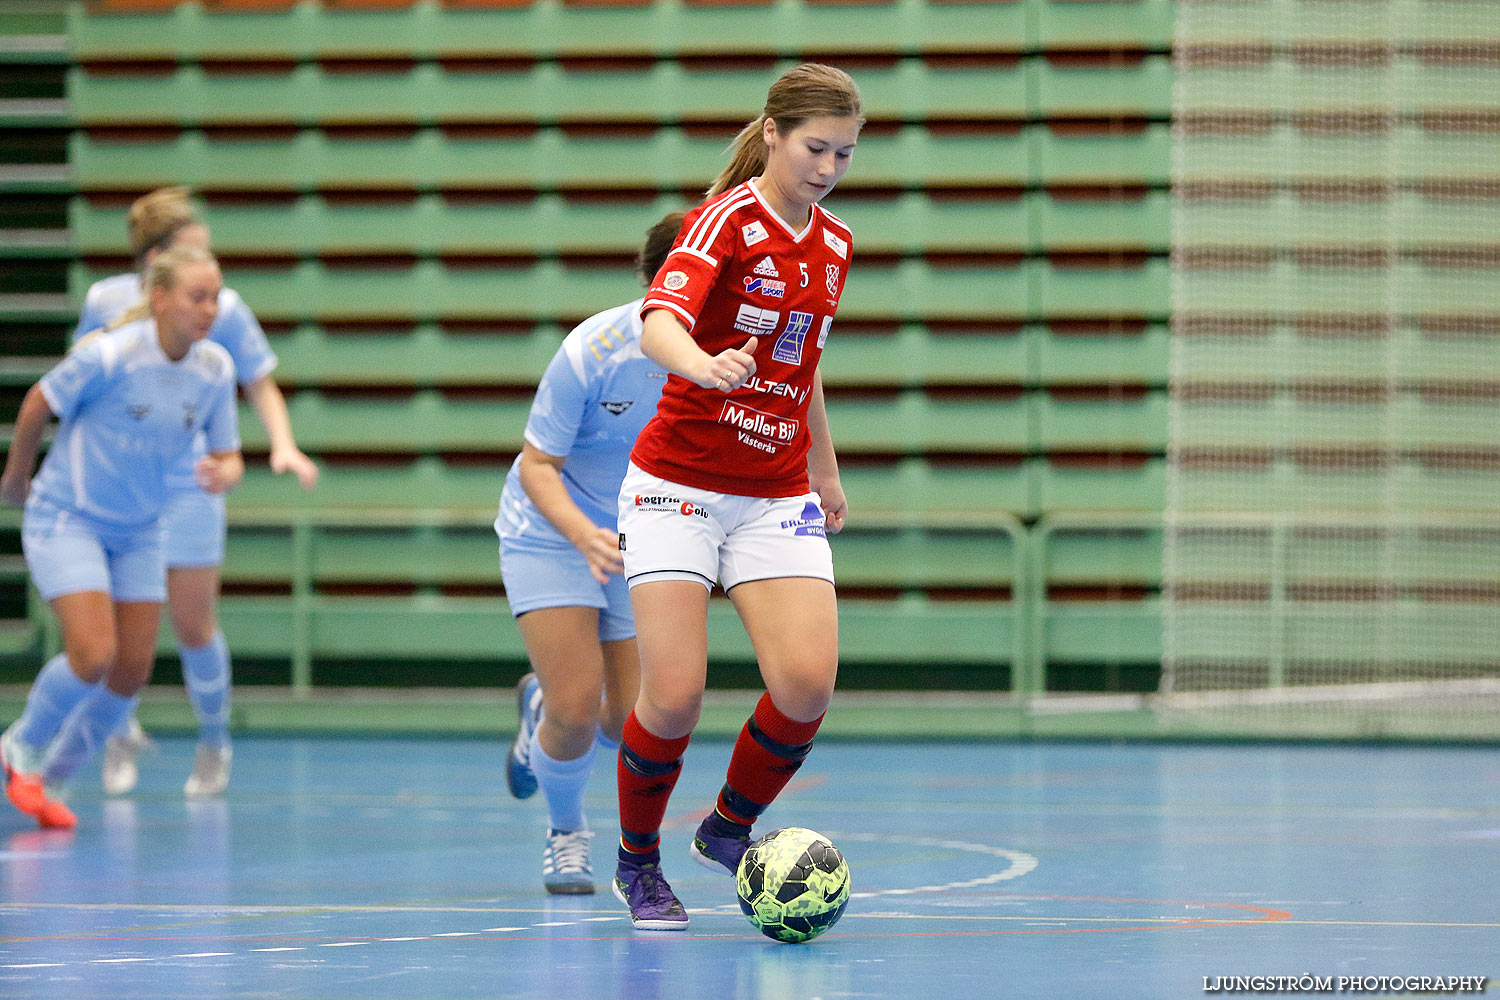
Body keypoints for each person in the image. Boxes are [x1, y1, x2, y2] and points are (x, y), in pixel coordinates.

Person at [608, 63, 862, 930]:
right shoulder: (724, 221)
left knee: (805, 684)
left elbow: (804, 363)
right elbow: (656, 323)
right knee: (673, 693)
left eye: (844, 153)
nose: (827, 167)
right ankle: (637, 862)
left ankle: (726, 829)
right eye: (815, 148)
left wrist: (823, 467)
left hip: (774, 490)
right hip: (677, 483)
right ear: (774, 133)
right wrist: (703, 364)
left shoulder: (834, 243)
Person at [71, 186, 319, 798]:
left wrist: (281, 444)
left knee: (192, 624)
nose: (209, 271)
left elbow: (260, 382)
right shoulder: (106, 301)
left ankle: (214, 741)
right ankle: (117, 732)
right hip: (120, 486)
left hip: (189, 484)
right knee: (118, 629)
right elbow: (76, 382)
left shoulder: (223, 308)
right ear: (157, 261)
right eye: (193, 252)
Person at [0, 245, 242, 829]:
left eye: (215, 297)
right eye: (196, 297)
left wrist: (225, 471)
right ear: (159, 298)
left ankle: (51, 777)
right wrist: (16, 478)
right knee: (94, 653)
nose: (210, 309)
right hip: (69, 518)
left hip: (141, 530)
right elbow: (38, 401)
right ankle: (19, 748)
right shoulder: (110, 356)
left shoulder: (215, 370)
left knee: (130, 672)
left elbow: (228, 453)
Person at [497, 211, 687, 894]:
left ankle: (537, 710)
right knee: (578, 709)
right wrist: (582, 533)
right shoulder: (593, 350)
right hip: (551, 531)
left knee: (624, 718)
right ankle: (567, 831)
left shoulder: (722, 356)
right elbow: (536, 463)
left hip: (637, 536)